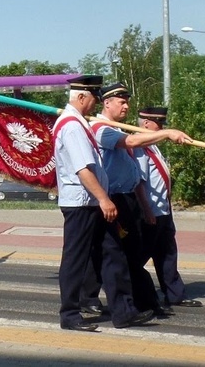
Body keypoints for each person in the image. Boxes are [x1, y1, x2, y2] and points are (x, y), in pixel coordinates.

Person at [54, 75, 152, 332]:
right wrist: (103, 198)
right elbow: (82, 169)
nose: (95, 103)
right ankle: (70, 314)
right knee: (76, 258)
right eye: (94, 98)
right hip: (82, 203)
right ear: (82, 97)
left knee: (113, 254)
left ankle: (123, 312)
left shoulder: (80, 123)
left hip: (93, 202)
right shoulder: (72, 126)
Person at [90, 83, 192, 316]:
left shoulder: (115, 128)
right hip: (114, 199)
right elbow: (131, 143)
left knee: (131, 255)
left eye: (127, 102)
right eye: (121, 102)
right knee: (116, 257)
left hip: (128, 200)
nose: (126, 106)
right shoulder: (101, 128)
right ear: (106, 103)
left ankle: (144, 302)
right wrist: (166, 134)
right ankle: (118, 305)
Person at [136, 107, 202, 308]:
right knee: (138, 256)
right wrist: (146, 210)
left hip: (163, 209)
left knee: (167, 254)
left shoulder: (154, 145)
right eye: (159, 123)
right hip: (151, 211)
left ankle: (174, 294)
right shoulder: (140, 146)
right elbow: (139, 182)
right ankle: (131, 294)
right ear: (147, 123)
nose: (162, 127)